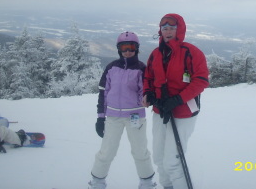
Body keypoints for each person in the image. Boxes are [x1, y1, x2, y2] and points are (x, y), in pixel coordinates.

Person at [143, 13, 209, 189]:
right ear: (160, 31)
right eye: (165, 28)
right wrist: (148, 93)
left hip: (184, 112)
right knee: (159, 158)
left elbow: (201, 81)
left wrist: (177, 100)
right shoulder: (156, 54)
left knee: (172, 160)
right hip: (160, 110)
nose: (168, 31)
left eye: (172, 28)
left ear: (180, 30)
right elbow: (148, 76)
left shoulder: (191, 52)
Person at [88, 31, 157, 189]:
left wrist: (148, 97)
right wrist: (100, 118)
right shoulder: (112, 67)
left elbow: (144, 92)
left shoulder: (141, 69)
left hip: (135, 116)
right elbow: (103, 93)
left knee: (140, 151)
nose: (127, 51)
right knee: (107, 151)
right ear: (119, 49)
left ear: (136, 48)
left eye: (131, 47)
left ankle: (146, 182)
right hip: (113, 116)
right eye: (124, 47)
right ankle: (97, 181)